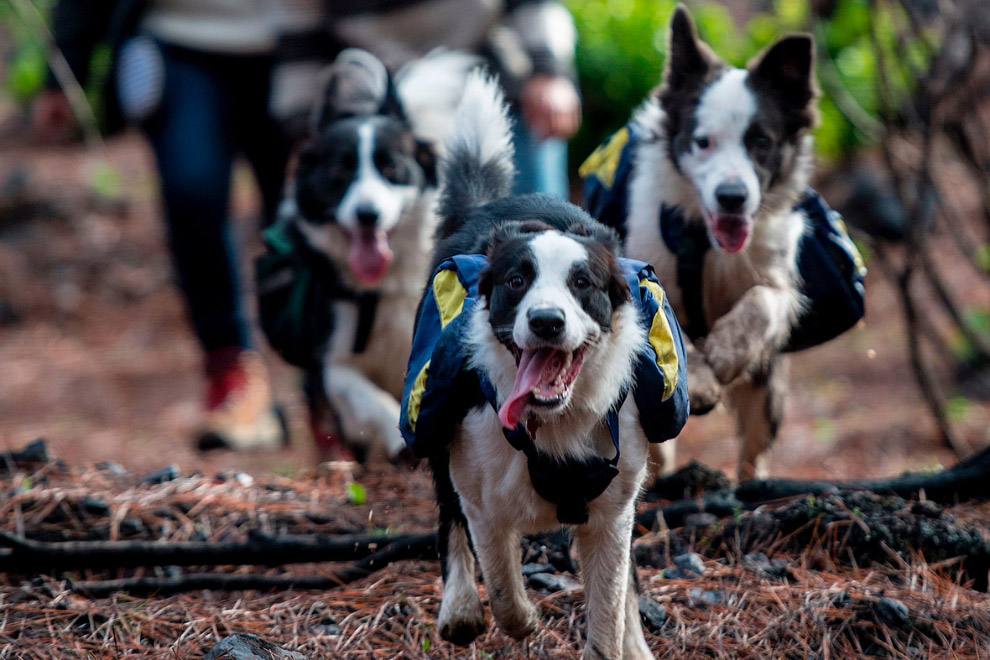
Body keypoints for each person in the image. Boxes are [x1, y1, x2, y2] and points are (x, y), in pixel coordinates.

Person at [34, 0, 309, 451]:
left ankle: (326, 389)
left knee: (307, 217)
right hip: (178, 40)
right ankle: (232, 377)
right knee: (191, 195)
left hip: (297, 46)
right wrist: (64, 67)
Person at [328, 0, 581, 198]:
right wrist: (302, 127)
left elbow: (535, 5)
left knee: (538, 221)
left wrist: (549, 69)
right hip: (378, 108)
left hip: (497, 87)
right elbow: (301, 43)